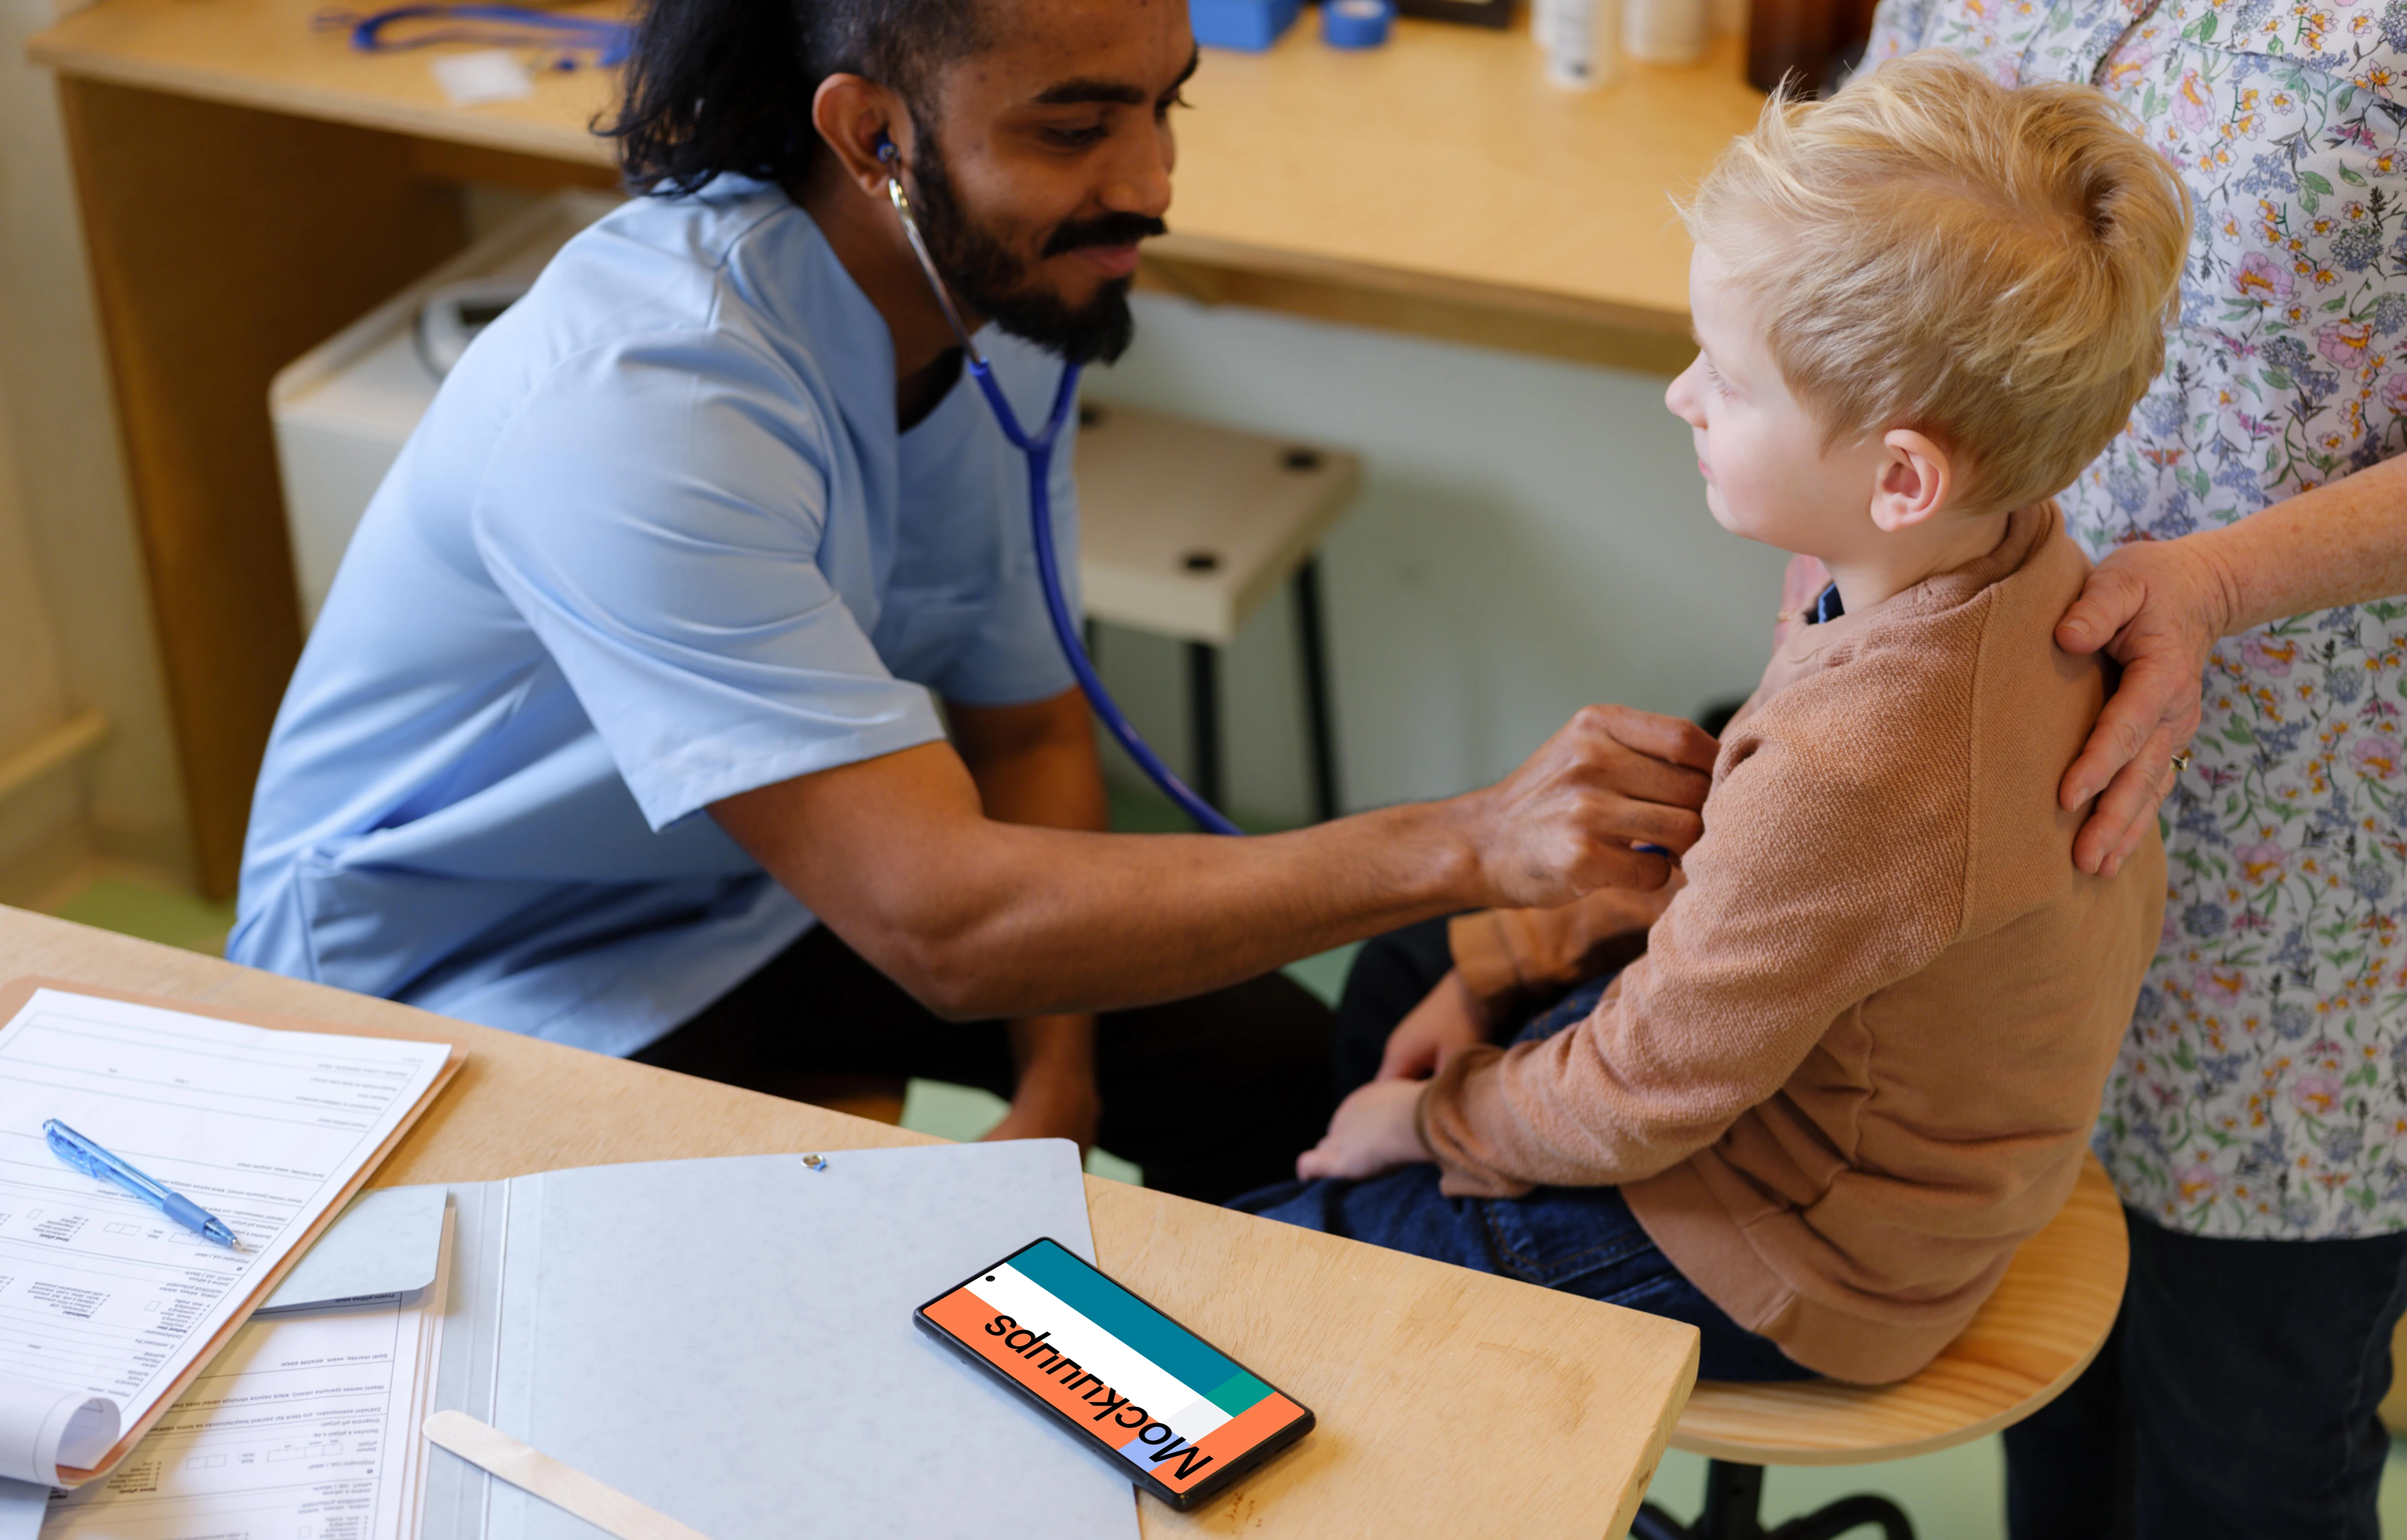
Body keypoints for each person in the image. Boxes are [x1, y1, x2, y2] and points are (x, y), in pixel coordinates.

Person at [226, 0, 1722, 1205]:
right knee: (774, 1313)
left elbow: (1025, 733)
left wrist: (1059, 1086)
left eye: (1166, 106)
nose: (1150, 184)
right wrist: (1468, 842)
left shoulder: (988, 305)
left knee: (1276, 1069)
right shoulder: (644, 406)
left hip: (747, 897)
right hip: (458, 981)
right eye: (1076, 128)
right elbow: (942, 922)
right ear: (872, 133)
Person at [1234, 52, 2184, 1386]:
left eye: (1729, 381)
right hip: (1854, 1129)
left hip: (1803, 1248)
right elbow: (1746, 903)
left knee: (1265, 1278)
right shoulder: (2007, 556)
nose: (1682, 393)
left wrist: (1434, 1122)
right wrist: (1501, 965)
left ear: (1901, 477)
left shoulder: (1865, 763)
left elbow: (1642, 1092)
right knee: (1412, 979)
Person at [1856, 0, 2407, 1529]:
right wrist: (1823, 606)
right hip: (2005, 823)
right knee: (2050, 1403)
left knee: (2247, 1448)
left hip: (2317, 876)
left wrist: (2219, 582)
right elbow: (1850, 259)